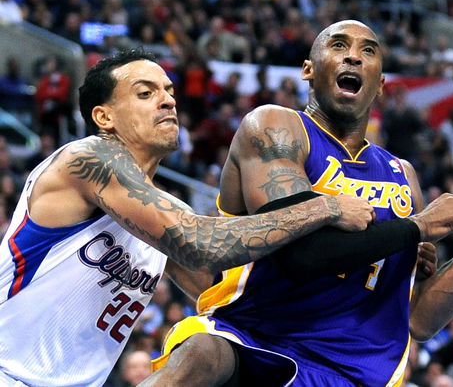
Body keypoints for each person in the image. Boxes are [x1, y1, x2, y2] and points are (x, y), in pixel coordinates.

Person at [145, 20, 453, 386]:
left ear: (381, 83)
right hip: (260, 338)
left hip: (357, 372)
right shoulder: (277, 127)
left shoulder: (403, 175)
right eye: (339, 46)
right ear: (309, 70)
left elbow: (419, 319)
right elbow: (301, 256)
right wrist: (415, 228)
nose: (353, 58)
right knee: (201, 352)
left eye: (368, 51)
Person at [0, 48, 378, 387]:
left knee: (209, 351)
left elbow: (224, 294)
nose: (167, 101)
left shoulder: (164, 213)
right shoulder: (89, 158)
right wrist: (324, 206)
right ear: (104, 116)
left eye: (168, 91)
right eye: (146, 93)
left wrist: (386, 262)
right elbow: (203, 244)